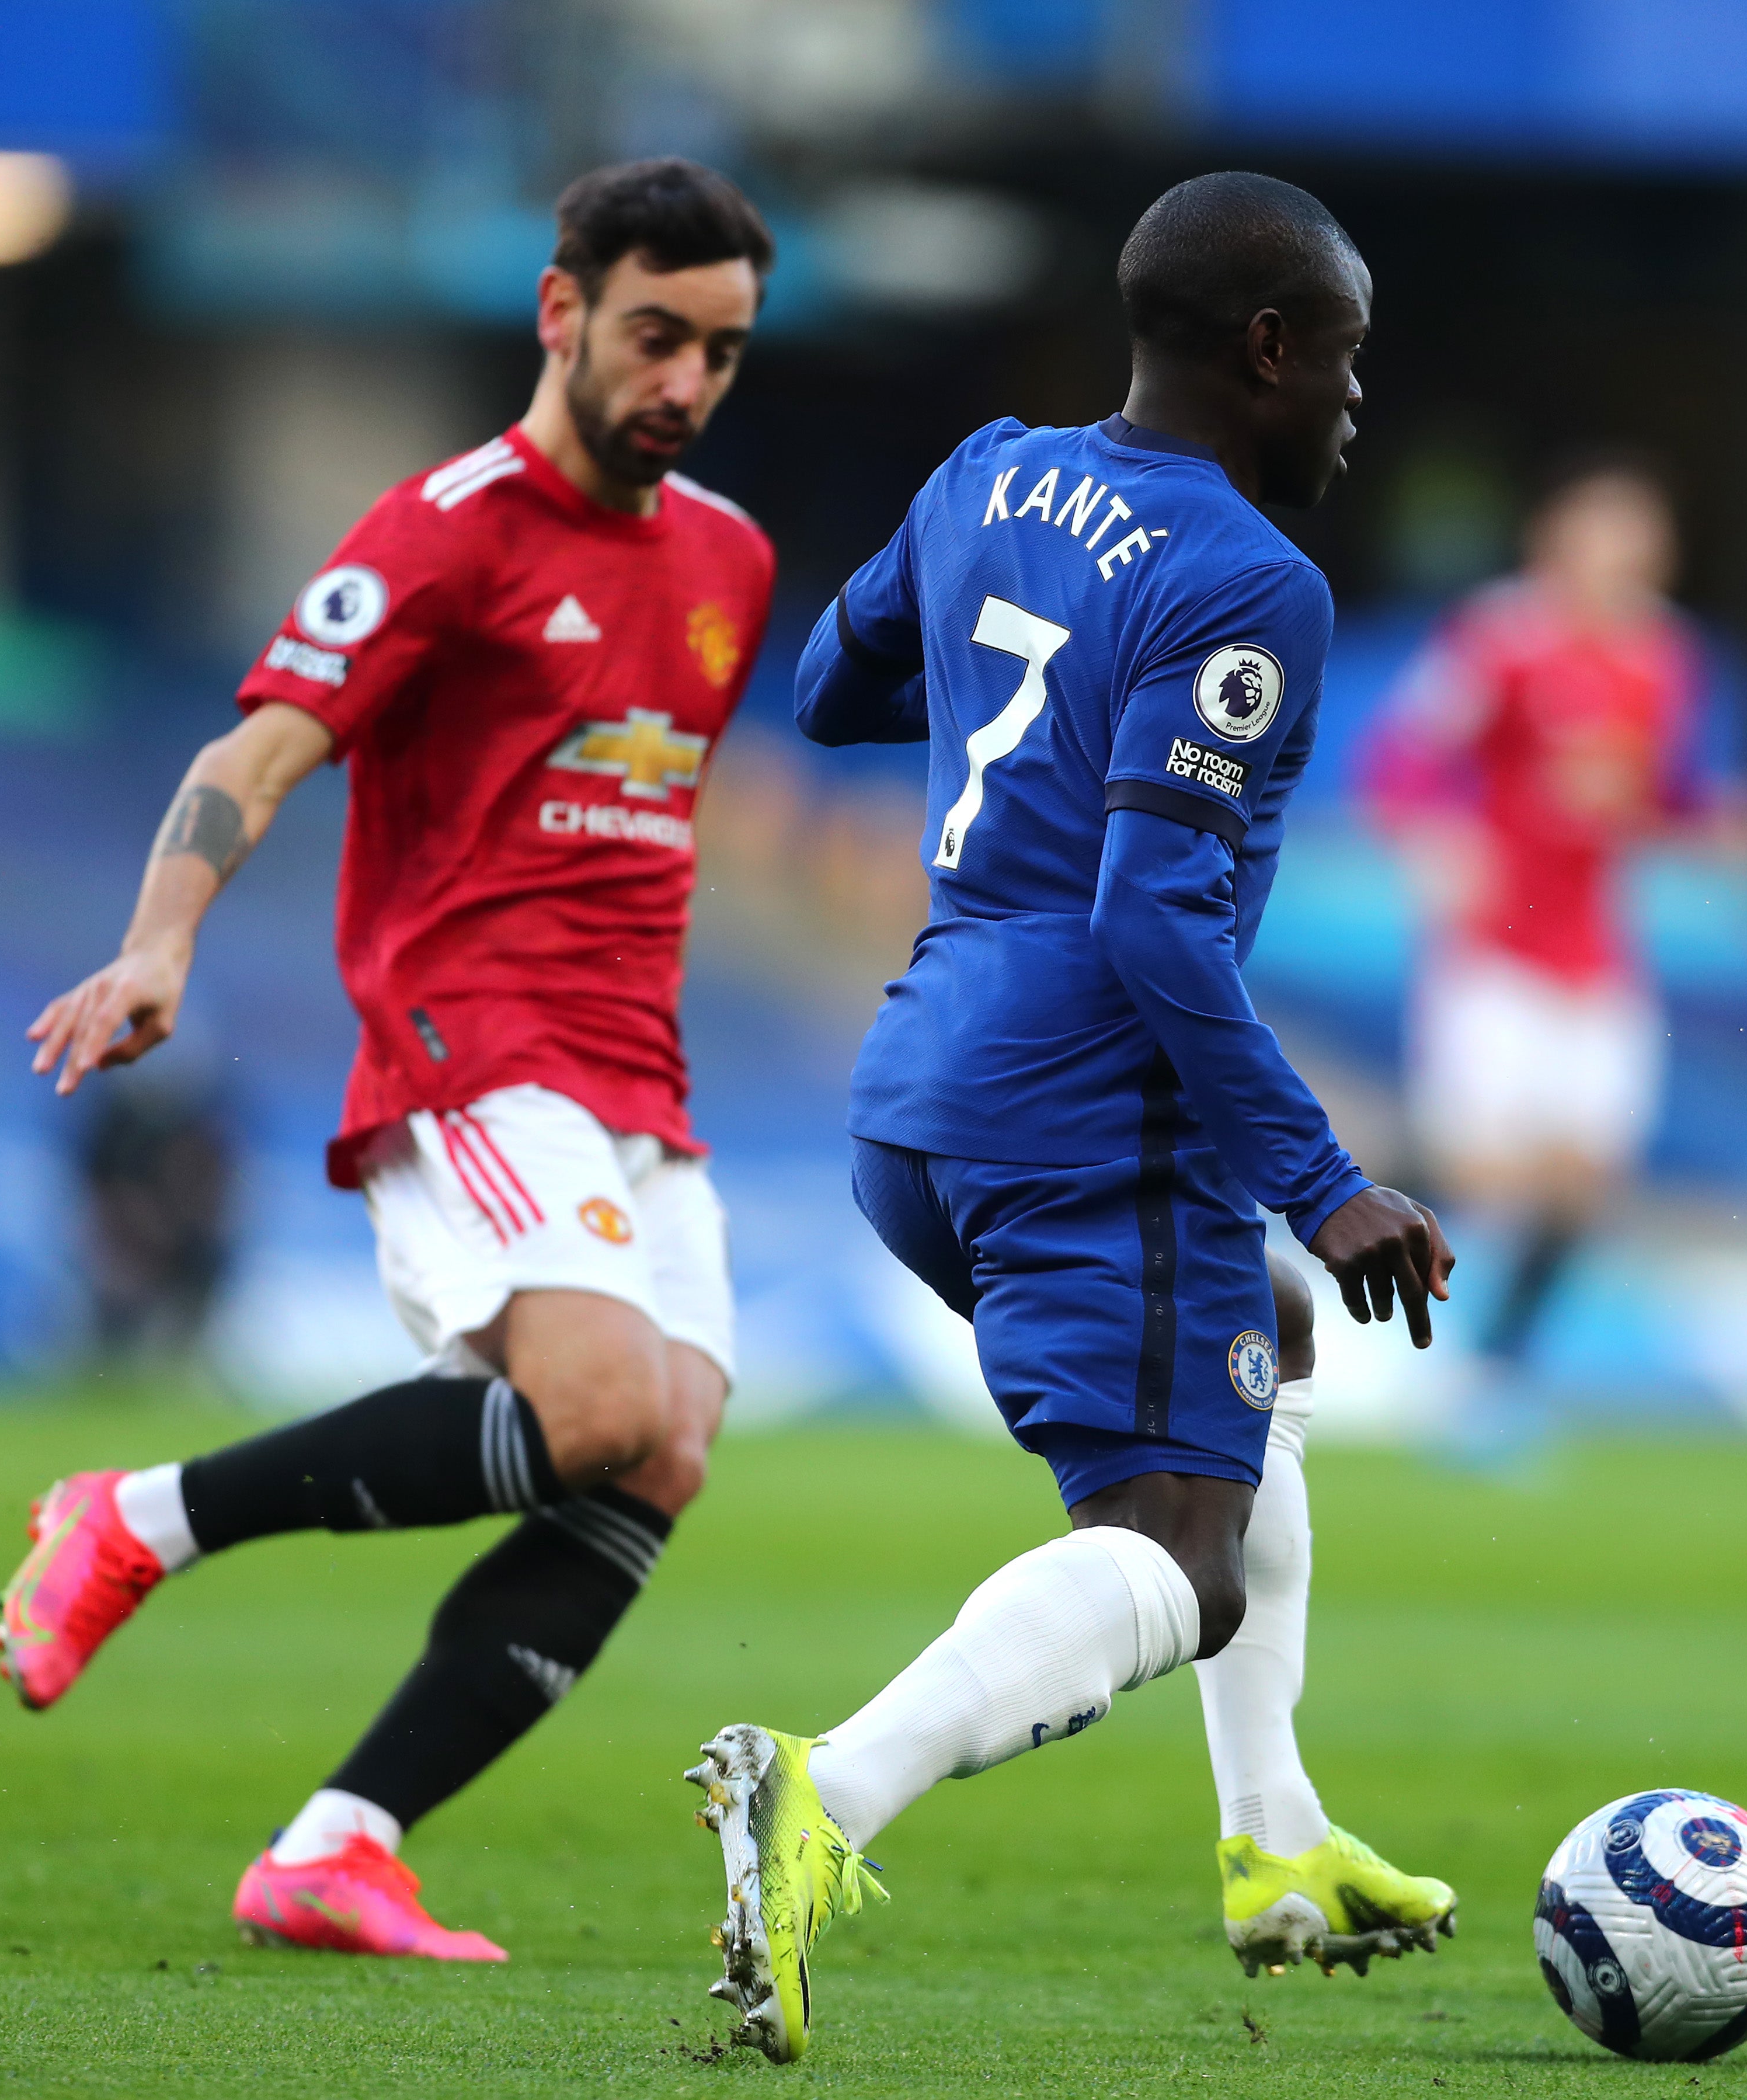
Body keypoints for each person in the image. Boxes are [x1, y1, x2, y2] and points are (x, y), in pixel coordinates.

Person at [690, 171, 1456, 2064]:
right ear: (1267, 348)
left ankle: (1278, 1841)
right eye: (1346, 355)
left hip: (921, 1087)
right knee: (1178, 1561)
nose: (1356, 397)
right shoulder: (1254, 580)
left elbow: (830, 686)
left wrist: (1021, 696)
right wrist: (1325, 1179)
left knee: (1262, 1339)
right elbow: (1152, 915)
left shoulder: (987, 474)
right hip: (1087, 1099)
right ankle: (825, 1790)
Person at [0, 158, 778, 1961]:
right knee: (600, 1408)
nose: (686, 382)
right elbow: (260, 748)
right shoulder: (444, 530)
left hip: (638, 1072)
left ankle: (340, 1843)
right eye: (655, 336)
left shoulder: (729, 560)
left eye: (723, 352)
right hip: (474, 1035)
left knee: (662, 1453)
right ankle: (137, 1519)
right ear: (561, 311)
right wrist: (162, 938)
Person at [1363, 458, 1747, 1379]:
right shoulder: (1501, 638)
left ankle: (1500, 1365)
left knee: (1589, 1179)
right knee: (1477, 1169)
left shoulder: (1665, 657)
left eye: (1639, 546)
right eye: (1602, 540)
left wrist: (1717, 821)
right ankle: (1334, 1217)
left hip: (1595, 952)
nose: (1620, 562)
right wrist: (1435, 839)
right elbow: (1403, 756)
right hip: (1497, 946)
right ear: (1556, 544)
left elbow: (1656, 793)